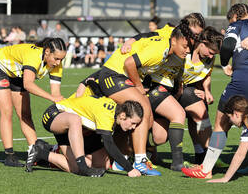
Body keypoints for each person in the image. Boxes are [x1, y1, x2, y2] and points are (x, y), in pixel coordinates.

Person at [76, 23, 193, 175]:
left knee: (142, 117)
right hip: (113, 75)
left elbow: (147, 36)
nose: (188, 50)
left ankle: (123, 158)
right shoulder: (160, 50)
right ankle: (140, 160)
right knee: (142, 107)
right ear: (175, 40)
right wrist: (138, 86)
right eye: (185, 46)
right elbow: (129, 63)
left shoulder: (168, 42)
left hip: (117, 75)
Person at [182, 3, 248, 178]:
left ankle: (206, 169)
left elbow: (227, 46)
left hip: (246, 80)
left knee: (221, 123)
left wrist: (225, 64)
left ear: (235, 16)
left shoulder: (237, 25)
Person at [149, 26, 223, 165]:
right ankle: (146, 144)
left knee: (201, 112)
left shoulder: (208, 58)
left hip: (187, 92)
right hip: (166, 92)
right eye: (210, 52)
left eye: (215, 54)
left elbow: (206, 75)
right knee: (159, 138)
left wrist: (207, 91)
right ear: (202, 43)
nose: (212, 56)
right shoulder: (183, 51)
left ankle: (209, 157)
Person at [26, 98, 143, 177]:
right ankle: (82, 165)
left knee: (103, 165)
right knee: (75, 120)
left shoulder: (115, 114)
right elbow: (109, 145)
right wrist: (130, 169)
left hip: (76, 129)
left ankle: (41, 152)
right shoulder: (107, 115)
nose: (133, 127)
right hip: (55, 115)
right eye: (133, 123)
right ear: (123, 115)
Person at [0, 37, 66, 167]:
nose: (58, 63)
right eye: (56, 58)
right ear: (47, 52)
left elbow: (56, 94)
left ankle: (35, 152)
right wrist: (52, 98)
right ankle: (9, 155)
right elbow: (28, 84)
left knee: (25, 114)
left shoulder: (58, 64)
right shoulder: (33, 56)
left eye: (61, 59)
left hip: (17, 74)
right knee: (7, 111)